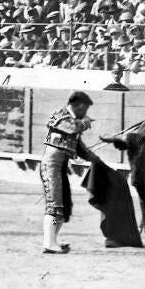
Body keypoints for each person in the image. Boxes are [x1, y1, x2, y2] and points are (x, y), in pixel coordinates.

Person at [40, 91, 101, 254]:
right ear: (80, 105)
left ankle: (53, 240)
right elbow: (72, 128)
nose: (86, 113)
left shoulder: (72, 119)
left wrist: (95, 159)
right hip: (51, 166)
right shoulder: (61, 115)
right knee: (55, 205)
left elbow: (79, 147)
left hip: (59, 167)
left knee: (64, 205)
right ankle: (48, 244)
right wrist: (84, 122)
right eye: (86, 109)